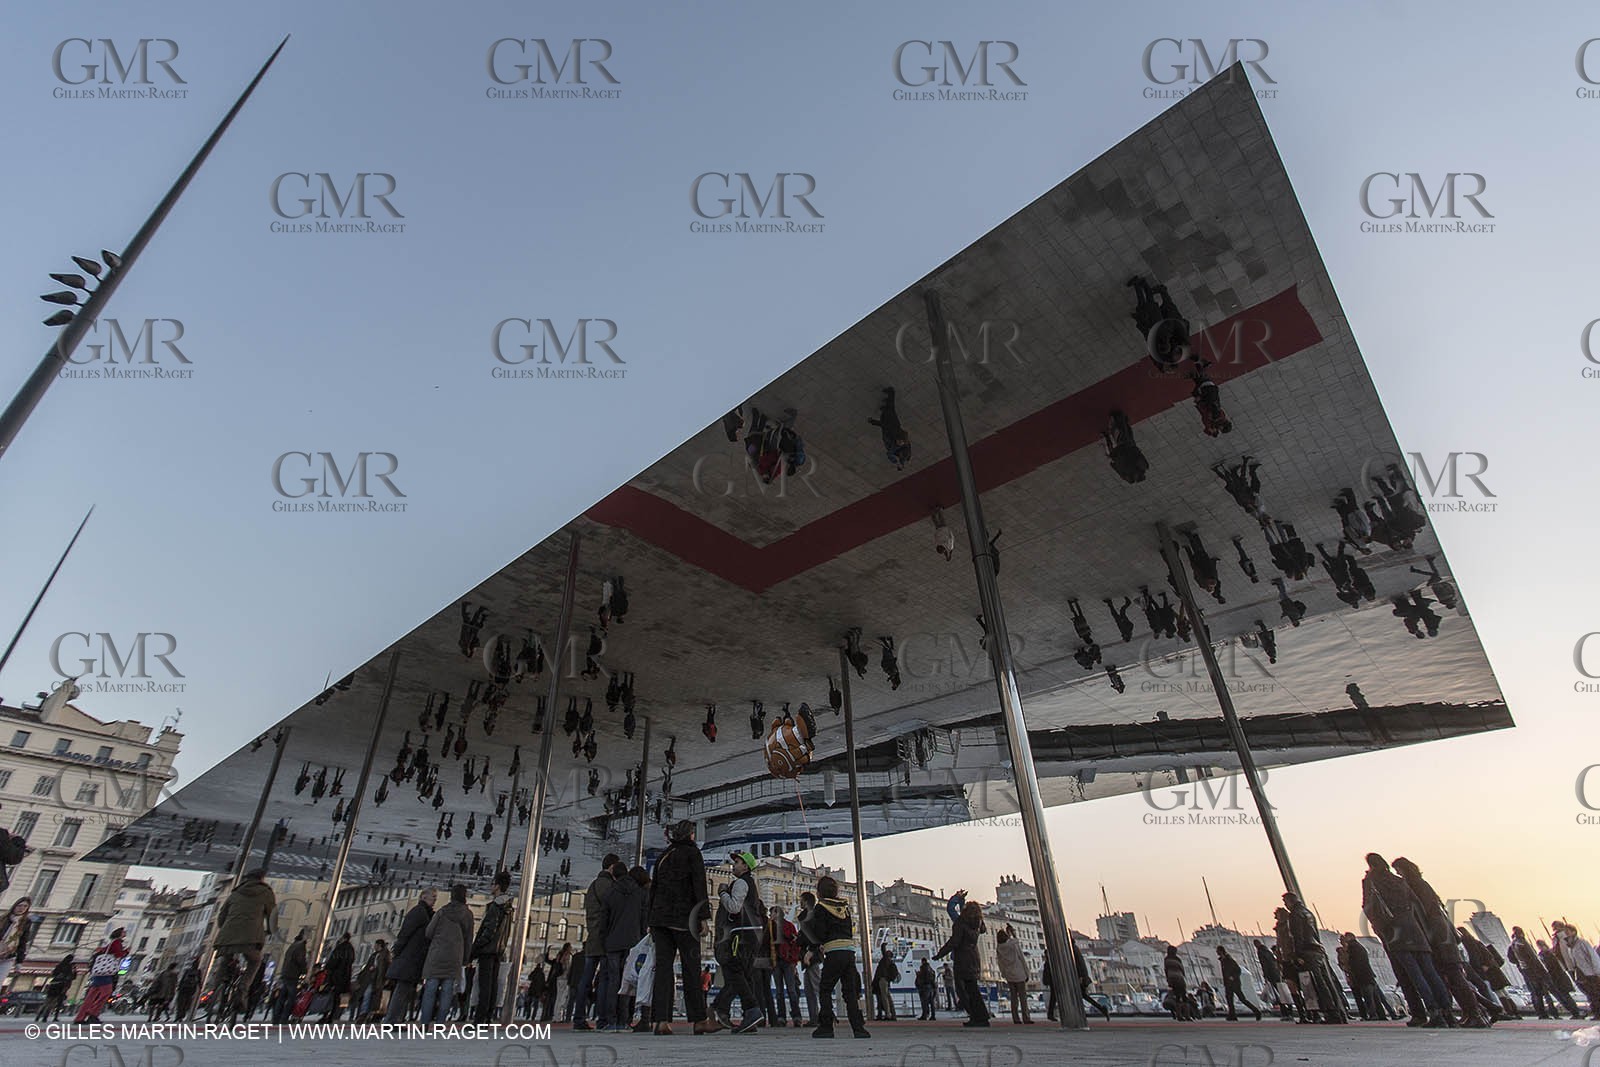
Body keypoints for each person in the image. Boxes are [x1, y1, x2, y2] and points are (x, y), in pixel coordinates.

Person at [1390, 858, 1488, 1026]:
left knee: (1454, 976)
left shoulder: (1415, 886)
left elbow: (1423, 913)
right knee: (1451, 976)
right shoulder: (1422, 884)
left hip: (1438, 937)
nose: (1398, 874)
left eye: (1398, 870)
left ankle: (1475, 1014)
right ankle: (1473, 1012)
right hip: (1442, 936)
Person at [1360, 854, 1450, 1027]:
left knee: (1411, 974)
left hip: (1394, 933)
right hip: (1415, 930)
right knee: (1430, 972)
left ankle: (1430, 1012)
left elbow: (1368, 907)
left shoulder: (1371, 881)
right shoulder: (1399, 880)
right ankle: (1446, 1011)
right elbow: (1417, 905)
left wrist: (1380, 928)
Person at [646, 820, 712, 1035]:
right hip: (685, 920)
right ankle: (699, 1019)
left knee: (663, 970)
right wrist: (703, 917)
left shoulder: (664, 856)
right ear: (691, 835)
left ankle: (660, 1020)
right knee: (691, 968)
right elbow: (699, 885)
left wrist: (650, 920)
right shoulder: (693, 854)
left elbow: (653, 889)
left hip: (660, 920)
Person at [798, 875, 870, 1039]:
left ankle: (826, 1026)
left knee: (825, 989)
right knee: (849, 992)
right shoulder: (845, 908)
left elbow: (819, 932)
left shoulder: (821, 908)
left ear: (819, 892)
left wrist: (812, 949)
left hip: (834, 952)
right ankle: (858, 1028)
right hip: (849, 952)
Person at [710, 850, 764, 1034]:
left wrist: (723, 893)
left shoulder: (741, 883)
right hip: (753, 933)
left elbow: (734, 907)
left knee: (734, 970)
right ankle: (742, 1015)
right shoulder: (751, 884)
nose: (734, 864)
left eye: (738, 862)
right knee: (745, 974)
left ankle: (751, 1009)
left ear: (746, 866)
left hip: (741, 934)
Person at [212, 869, 277, 1019]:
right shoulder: (265, 892)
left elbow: (221, 916)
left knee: (225, 962)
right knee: (255, 961)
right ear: (262, 879)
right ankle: (242, 989)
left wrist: (225, 928)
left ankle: (217, 990)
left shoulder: (235, 893)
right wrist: (270, 930)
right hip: (251, 937)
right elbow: (272, 916)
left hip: (228, 935)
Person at [600, 862, 646, 1032]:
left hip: (613, 943)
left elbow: (604, 919)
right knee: (629, 982)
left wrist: (604, 938)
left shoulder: (610, 892)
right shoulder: (639, 893)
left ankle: (611, 1021)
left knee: (613, 982)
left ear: (614, 875)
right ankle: (625, 1020)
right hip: (632, 942)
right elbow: (643, 918)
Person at [419, 885, 473, 1023]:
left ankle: (424, 1023)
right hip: (455, 956)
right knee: (447, 991)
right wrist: (465, 959)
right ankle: (440, 1024)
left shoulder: (442, 912)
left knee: (430, 989)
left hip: (437, 954)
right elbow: (468, 938)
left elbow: (428, 932)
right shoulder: (467, 914)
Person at [935, 899, 989, 1027]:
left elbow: (954, 941)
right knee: (973, 989)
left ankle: (975, 1016)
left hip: (963, 958)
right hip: (974, 957)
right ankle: (981, 1016)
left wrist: (940, 954)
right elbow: (983, 930)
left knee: (962, 990)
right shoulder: (978, 923)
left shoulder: (961, 923)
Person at [384, 889, 435, 1023]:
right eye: (433, 897)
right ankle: (392, 1020)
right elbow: (405, 933)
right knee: (402, 990)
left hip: (412, 957)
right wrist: (398, 950)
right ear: (424, 897)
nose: (435, 900)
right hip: (411, 957)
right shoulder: (420, 912)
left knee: (404, 990)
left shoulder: (422, 913)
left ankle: (396, 1019)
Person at [472, 870, 516, 1022]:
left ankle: (479, 1019)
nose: (491, 886)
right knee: (492, 985)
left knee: (485, 986)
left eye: (492, 884)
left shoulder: (495, 906)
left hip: (487, 950)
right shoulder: (508, 907)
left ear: (497, 886)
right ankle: (488, 1017)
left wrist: (476, 947)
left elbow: (489, 930)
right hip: (498, 950)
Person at [1510, 925, 1577, 1019]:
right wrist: (1542, 971)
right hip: (1538, 972)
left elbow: (1513, 959)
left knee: (1538, 993)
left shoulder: (1514, 944)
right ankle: (1569, 1012)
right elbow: (1533, 958)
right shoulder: (1523, 943)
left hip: (1528, 972)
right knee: (1553, 992)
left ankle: (1542, 1014)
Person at [76, 929, 127, 1022]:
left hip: (99, 972)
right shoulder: (117, 943)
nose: (125, 933)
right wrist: (126, 951)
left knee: (91, 995)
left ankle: (80, 1017)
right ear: (120, 934)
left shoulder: (110, 943)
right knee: (106, 993)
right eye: (124, 932)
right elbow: (119, 954)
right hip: (106, 973)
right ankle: (93, 1013)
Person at [1554, 922, 1600, 1018]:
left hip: (1590, 973)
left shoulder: (1582, 943)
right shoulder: (1570, 946)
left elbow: (1593, 957)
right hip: (1580, 974)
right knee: (1590, 994)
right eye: (1565, 931)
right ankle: (1596, 1013)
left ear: (1574, 932)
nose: (1566, 933)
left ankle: (1598, 1013)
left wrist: (1597, 971)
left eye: (1568, 931)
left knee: (1595, 993)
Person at [1540, 935, 1588, 1019]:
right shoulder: (1550, 954)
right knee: (1564, 996)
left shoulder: (1548, 955)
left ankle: (1576, 1012)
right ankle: (1576, 1012)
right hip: (1558, 978)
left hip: (1557, 978)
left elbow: (1552, 968)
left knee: (1564, 996)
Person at [770, 904, 803, 1027]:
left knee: (791, 990)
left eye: (772, 913)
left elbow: (795, 945)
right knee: (779, 991)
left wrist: (794, 961)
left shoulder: (788, 926)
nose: (770, 916)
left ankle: (796, 1016)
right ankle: (782, 1016)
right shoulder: (770, 927)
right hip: (777, 960)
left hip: (787, 960)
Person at [867, 387, 911, 470]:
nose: (899, 443)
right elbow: (884, 425)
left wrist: (899, 463)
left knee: (889, 411)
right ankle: (891, 393)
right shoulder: (895, 436)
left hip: (892, 425)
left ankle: (885, 406)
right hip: (891, 423)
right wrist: (872, 422)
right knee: (890, 409)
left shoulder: (904, 452)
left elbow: (899, 455)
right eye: (900, 442)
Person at [1102, 410, 1150, 484]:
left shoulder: (1130, 474)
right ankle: (1120, 420)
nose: (1136, 476)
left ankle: (1119, 422)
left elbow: (1120, 471)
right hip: (1126, 448)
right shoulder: (1141, 468)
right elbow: (1138, 457)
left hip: (1123, 451)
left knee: (1123, 434)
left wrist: (1114, 464)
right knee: (1124, 434)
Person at [1216, 946, 1261, 1021]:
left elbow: (1238, 970)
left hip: (1234, 983)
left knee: (1242, 999)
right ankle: (1232, 1015)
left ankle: (1256, 1012)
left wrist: (1233, 977)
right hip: (1228, 983)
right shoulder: (1223, 960)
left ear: (1221, 951)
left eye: (1217, 951)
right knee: (1229, 1000)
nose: (1216, 952)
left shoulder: (1229, 960)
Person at [996, 928, 1031, 1024]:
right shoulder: (1013, 945)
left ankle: (1015, 1018)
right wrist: (1027, 972)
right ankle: (1026, 1017)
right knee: (1023, 997)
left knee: (1013, 997)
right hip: (1019, 973)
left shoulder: (999, 948)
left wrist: (1003, 973)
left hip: (1009, 974)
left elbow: (1000, 963)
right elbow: (1021, 958)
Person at [0, 897, 35, 990]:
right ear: (14, 906)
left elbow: (23, 942)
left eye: (25, 906)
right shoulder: (4, 918)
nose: (22, 908)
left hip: (8, 956)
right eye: (20, 905)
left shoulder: (26, 923)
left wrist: (19, 962)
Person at [276, 930, 310, 1023]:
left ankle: (276, 1018)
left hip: (286, 973)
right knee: (291, 998)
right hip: (293, 975)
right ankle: (284, 1018)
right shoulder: (301, 946)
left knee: (282, 997)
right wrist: (304, 970)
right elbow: (300, 960)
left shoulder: (292, 945)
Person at [321, 933, 355, 1022]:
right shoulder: (351, 950)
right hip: (346, 976)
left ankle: (327, 1015)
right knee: (342, 996)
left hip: (336, 975)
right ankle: (337, 1014)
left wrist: (327, 969)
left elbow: (333, 962)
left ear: (343, 938)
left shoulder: (339, 948)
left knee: (331, 996)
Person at [39, 955, 75, 1022]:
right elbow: (72, 977)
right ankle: (51, 1017)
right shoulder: (69, 967)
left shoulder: (59, 965)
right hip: (61, 986)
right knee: (56, 1002)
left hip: (53, 984)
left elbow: (54, 973)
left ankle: (40, 1015)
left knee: (48, 1001)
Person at [871, 945, 900, 1021]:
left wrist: (883, 946)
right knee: (887, 997)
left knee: (884, 998)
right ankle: (892, 1014)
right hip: (886, 980)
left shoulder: (885, 960)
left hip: (882, 980)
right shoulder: (889, 962)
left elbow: (883, 952)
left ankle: (888, 1015)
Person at [1163, 946, 1192, 1020]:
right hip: (1179, 978)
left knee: (1177, 997)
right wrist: (1184, 976)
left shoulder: (1166, 959)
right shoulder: (1177, 959)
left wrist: (1168, 980)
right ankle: (1187, 1015)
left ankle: (1179, 1015)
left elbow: (1166, 970)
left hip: (1171, 978)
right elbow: (1181, 969)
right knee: (1184, 996)